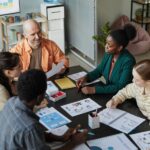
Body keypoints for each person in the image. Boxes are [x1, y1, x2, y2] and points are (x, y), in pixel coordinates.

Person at [0, 69, 87, 150]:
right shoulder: (30, 127)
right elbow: (31, 132)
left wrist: (60, 138)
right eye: (44, 92)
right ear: (39, 97)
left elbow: (34, 136)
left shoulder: (11, 102)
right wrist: (74, 143)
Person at [76, 24, 136, 95]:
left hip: (123, 96)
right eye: (106, 43)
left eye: (109, 45)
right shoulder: (109, 54)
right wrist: (86, 78)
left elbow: (121, 87)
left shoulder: (128, 61)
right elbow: (99, 70)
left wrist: (94, 90)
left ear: (120, 48)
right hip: (109, 92)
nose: (106, 46)